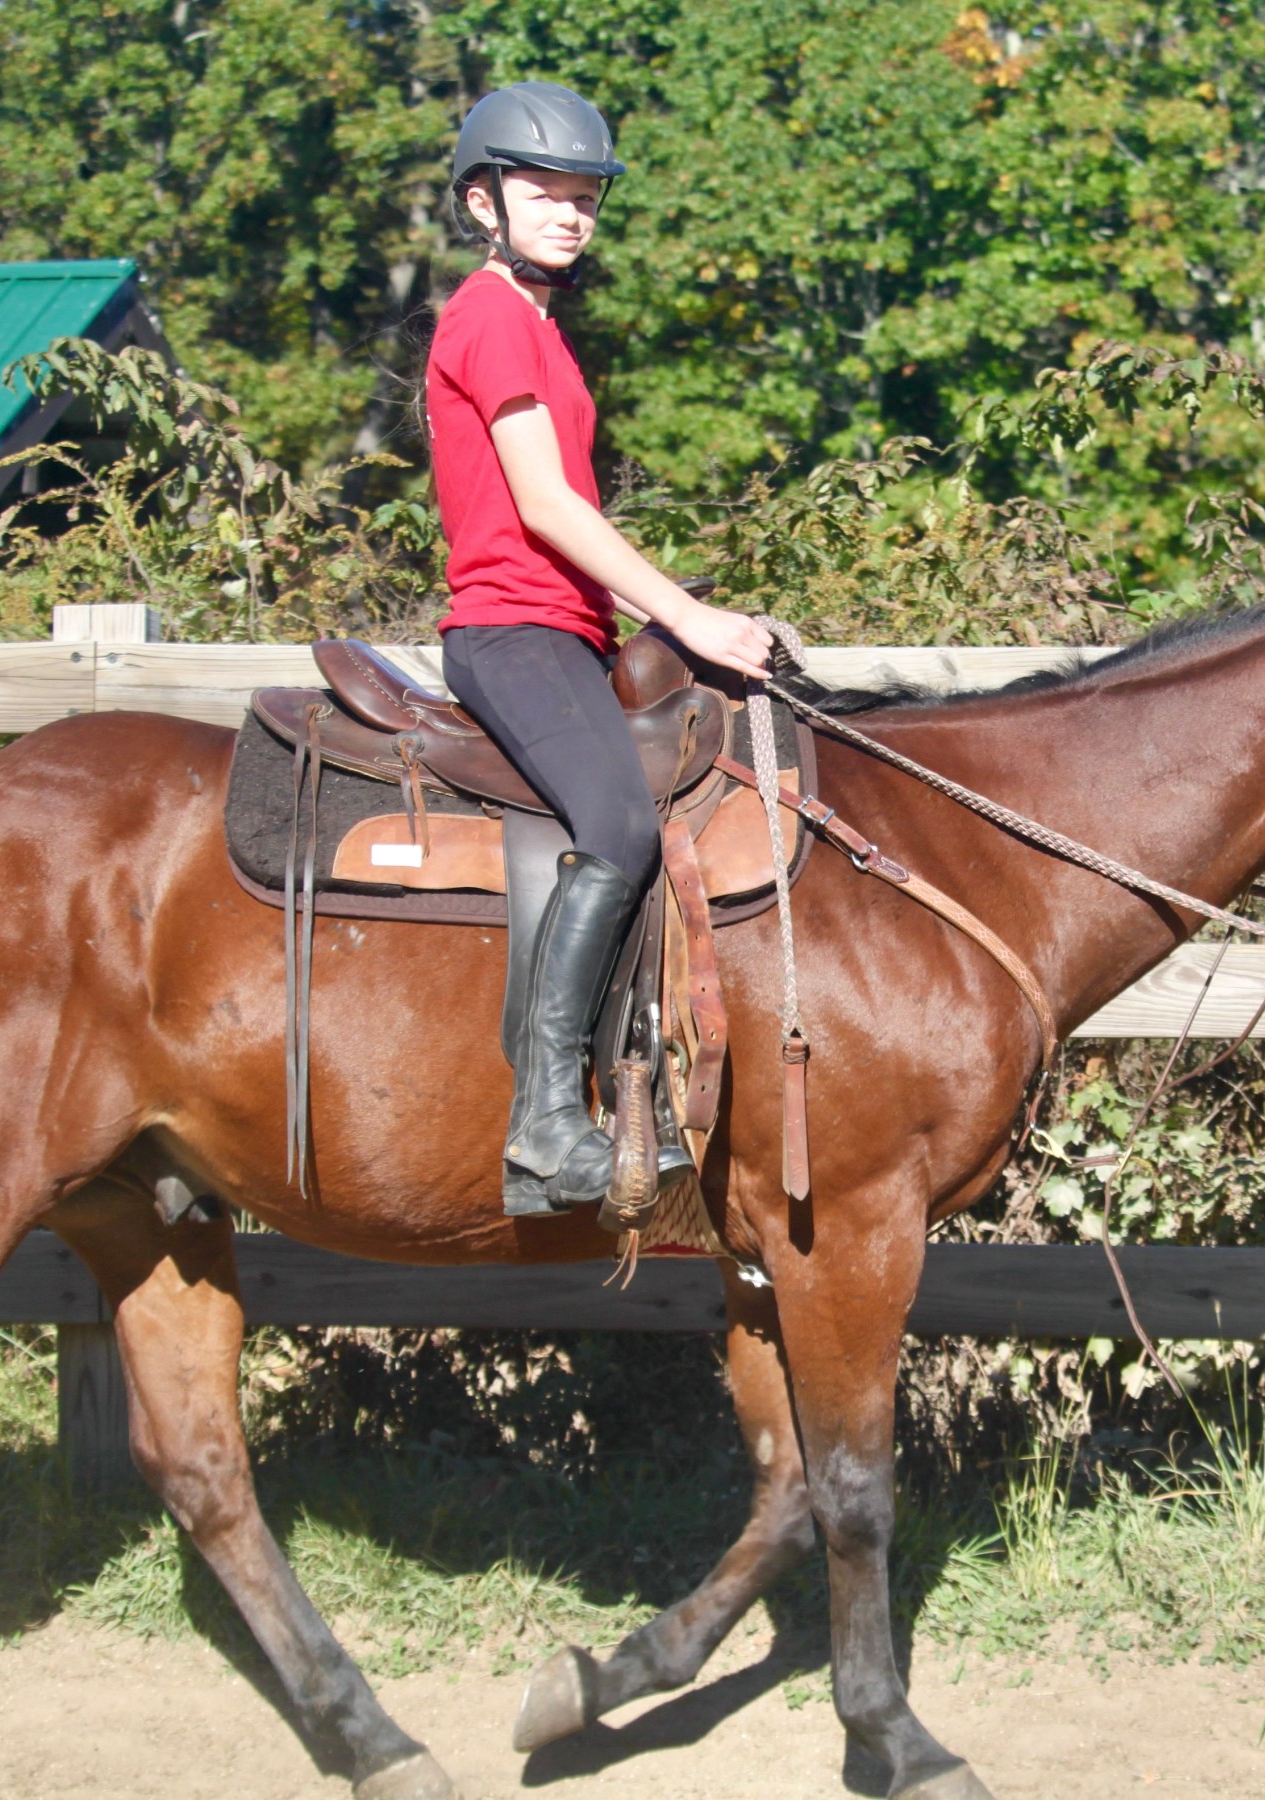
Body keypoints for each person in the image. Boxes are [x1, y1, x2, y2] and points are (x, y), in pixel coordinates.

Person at [429, 80, 773, 1217]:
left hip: (568, 632)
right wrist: (687, 616)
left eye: (586, 198)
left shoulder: (540, 328)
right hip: (508, 628)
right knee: (620, 823)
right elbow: (544, 507)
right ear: (484, 202)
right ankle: (542, 1133)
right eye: (545, 193)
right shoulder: (486, 318)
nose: (572, 214)